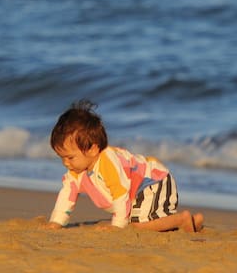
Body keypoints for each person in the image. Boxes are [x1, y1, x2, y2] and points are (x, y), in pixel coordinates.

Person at [45, 99, 203, 232]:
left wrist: (117, 225)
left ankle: (181, 220)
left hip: (154, 181)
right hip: (136, 192)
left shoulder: (107, 162)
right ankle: (193, 223)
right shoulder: (75, 171)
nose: (66, 163)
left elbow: (119, 193)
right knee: (143, 219)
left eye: (70, 157)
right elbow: (67, 194)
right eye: (62, 157)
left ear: (93, 149)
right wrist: (56, 222)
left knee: (137, 225)